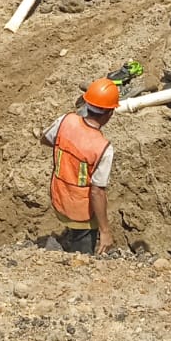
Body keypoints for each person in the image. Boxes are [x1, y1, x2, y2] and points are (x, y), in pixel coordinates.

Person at [42, 78, 120, 255]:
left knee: (73, 229)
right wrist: (105, 231)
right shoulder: (103, 148)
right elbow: (96, 192)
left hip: (59, 197)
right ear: (110, 114)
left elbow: (45, 139)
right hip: (80, 211)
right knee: (82, 253)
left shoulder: (66, 120)